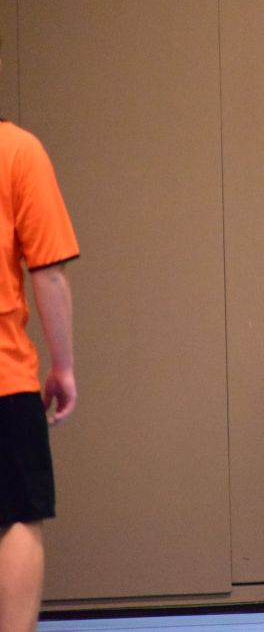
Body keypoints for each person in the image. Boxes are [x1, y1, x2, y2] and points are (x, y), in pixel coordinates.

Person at [0, 36, 79, 632]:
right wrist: (63, 366)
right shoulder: (18, 152)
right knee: (18, 515)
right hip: (5, 377)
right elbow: (47, 273)